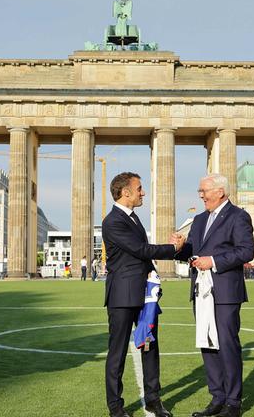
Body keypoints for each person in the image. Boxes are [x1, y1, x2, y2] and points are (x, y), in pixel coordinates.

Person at [102, 171, 182, 417]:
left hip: (144, 296)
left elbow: (141, 254)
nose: (143, 192)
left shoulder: (134, 218)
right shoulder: (113, 221)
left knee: (150, 348)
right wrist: (172, 249)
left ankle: (153, 400)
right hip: (122, 297)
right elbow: (139, 249)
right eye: (139, 189)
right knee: (117, 353)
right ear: (125, 192)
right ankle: (116, 407)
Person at [174, 174, 254, 417]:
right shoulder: (199, 220)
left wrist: (215, 261)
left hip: (226, 292)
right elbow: (193, 252)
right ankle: (216, 398)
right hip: (201, 291)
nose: (201, 195)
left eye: (204, 190)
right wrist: (179, 248)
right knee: (207, 343)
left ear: (220, 191)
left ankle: (233, 403)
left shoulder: (239, 216)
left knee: (227, 345)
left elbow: (246, 251)